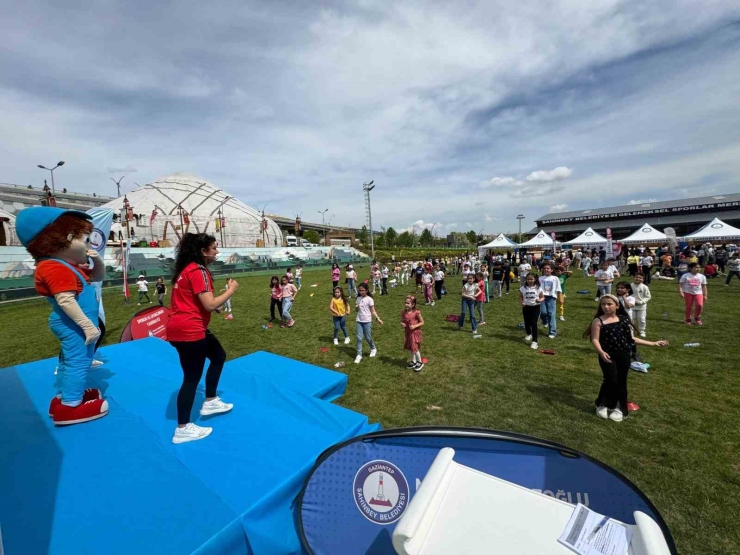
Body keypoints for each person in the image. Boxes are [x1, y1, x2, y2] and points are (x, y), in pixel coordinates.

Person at [167, 233, 238, 444]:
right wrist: (231, 291)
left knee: (218, 355)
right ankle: (183, 428)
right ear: (203, 251)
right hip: (189, 331)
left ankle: (211, 400)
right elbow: (209, 304)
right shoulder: (198, 271)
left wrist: (212, 307)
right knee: (191, 378)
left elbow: (197, 301)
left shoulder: (188, 269)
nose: (217, 251)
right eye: (214, 248)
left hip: (183, 327)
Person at [585, 294, 668, 422]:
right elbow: (594, 339)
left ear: (617, 306)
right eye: (603, 304)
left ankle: (620, 408)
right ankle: (601, 403)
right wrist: (601, 352)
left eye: (609, 304)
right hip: (607, 355)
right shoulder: (598, 321)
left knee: (621, 381)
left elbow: (631, 339)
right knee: (610, 380)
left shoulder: (623, 319)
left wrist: (653, 343)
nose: (606, 307)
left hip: (624, 355)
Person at [355, 282, 383, 364]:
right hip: (359, 320)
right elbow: (357, 310)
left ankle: (373, 348)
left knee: (368, 337)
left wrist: (377, 318)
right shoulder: (358, 298)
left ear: (367, 290)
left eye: (362, 290)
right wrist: (356, 307)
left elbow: (373, 310)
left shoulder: (370, 299)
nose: (361, 292)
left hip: (367, 321)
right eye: (359, 290)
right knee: (359, 338)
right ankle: (359, 354)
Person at [519, 273, 544, 350]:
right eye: (528, 279)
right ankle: (528, 334)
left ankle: (534, 341)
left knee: (534, 323)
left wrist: (539, 300)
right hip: (526, 307)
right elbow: (520, 297)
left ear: (535, 279)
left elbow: (542, 297)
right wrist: (522, 302)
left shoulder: (538, 288)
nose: (529, 280)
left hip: (535, 307)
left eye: (531, 279)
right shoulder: (523, 288)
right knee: (527, 322)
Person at [401, 295, 425, 372]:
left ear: (413, 305)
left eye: (408, 303)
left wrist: (414, 326)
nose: (406, 304)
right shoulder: (404, 312)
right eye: (405, 303)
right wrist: (402, 324)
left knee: (415, 348)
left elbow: (422, 322)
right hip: (408, 333)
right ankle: (413, 361)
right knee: (409, 347)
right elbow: (403, 321)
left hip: (414, 333)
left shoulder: (416, 312)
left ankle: (420, 362)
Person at [538, 263, 561, 339]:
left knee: (551, 314)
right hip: (542, 297)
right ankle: (545, 321)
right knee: (543, 313)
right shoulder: (540, 278)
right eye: (544, 268)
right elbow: (537, 289)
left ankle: (552, 332)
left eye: (548, 268)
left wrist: (560, 298)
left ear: (551, 270)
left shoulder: (555, 278)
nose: (546, 270)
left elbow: (558, 289)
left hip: (551, 298)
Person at [631, 273, 651, 337]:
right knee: (631, 319)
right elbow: (627, 295)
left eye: (640, 278)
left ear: (643, 279)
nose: (638, 279)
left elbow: (648, 296)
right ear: (633, 277)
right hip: (631, 306)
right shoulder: (630, 286)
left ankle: (642, 331)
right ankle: (630, 331)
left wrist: (641, 301)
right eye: (636, 277)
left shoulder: (645, 287)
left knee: (641, 319)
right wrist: (631, 301)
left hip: (641, 307)